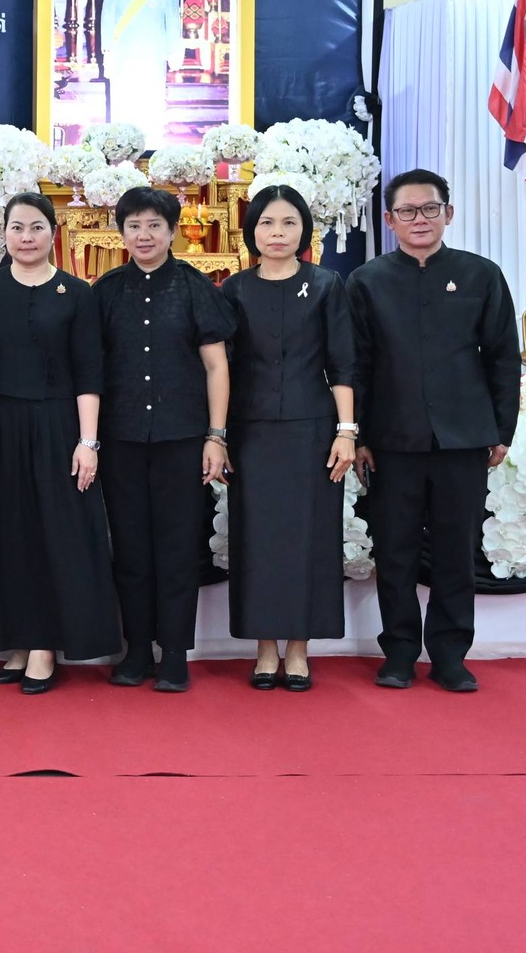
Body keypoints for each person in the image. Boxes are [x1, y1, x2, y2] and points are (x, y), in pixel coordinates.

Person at [349, 169, 520, 692]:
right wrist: (357, 435)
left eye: (429, 209)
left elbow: (502, 358)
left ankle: (449, 655)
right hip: (391, 441)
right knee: (394, 551)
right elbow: (356, 364)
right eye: (407, 211)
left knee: (455, 553)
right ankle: (399, 652)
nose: (418, 220)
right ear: (389, 220)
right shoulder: (367, 281)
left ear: (448, 212)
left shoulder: (481, 275)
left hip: (462, 438)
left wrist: (501, 430)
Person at [0, 191, 119, 692]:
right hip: (0, 429)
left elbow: (90, 372)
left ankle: (48, 644)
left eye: (36, 227)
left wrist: (88, 442)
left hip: (59, 429)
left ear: (54, 233)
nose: (25, 238)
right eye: (16, 228)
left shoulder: (77, 293)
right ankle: (20, 640)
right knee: (10, 536)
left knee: (58, 536)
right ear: (2, 234)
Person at [93, 186, 233, 692]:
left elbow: (217, 366)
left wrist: (216, 436)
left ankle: (174, 653)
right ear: (121, 231)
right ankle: (136, 651)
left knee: (177, 548)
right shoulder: (105, 292)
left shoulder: (197, 288)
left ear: (173, 231)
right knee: (130, 548)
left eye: (154, 225)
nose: (144, 235)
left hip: (182, 438)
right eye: (134, 225)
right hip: (122, 439)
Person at [220, 185, 357, 691]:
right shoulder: (235, 289)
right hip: (251, 431)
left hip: (313, 429)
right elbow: (224, 368)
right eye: (267, 224)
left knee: (309, 538)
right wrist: (219, 435)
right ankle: (263, 648)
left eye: (288, 223)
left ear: (304, 230)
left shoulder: (326, 284)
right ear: (252, 231)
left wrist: (346, 431)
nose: (277, 234)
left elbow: (343, 363)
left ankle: (298, 648)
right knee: (256, 538)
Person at [98, 0, 183, 148]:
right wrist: (107, 52)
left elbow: (172, 19)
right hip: (123, 54)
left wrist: (174, 51)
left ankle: (152, 148)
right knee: (124, 103)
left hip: (154, 53)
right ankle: (122, 149)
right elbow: (107, 18)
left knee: (151, 103)